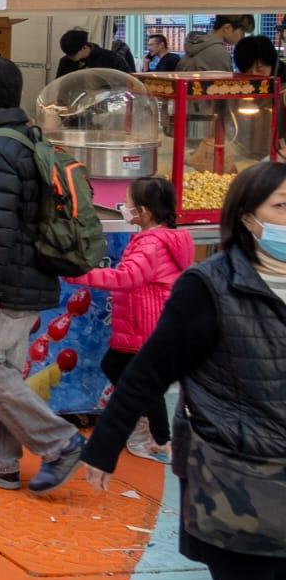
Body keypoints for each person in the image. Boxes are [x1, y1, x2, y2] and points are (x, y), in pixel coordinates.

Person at [83, 161, 286, 580]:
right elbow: (149, 370)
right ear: (247, 217)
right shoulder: (208, 286)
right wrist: (104, 445)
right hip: (232, 484)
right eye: (281, 207)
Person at [0, 56, 87, 494]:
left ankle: (59, 442)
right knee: (1, 365)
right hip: (27, 277)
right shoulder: (24, 137)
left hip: (4, 284)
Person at [75, 175, 189, 463]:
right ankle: (147, 424)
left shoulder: (151, 244)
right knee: (117, 368)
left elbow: (126, 277)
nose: (123, 207)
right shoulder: (157, 238)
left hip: (145, 326)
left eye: (127, 203)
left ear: (145, 212)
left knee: (139, 382)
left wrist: (78, 274)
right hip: (144, 324)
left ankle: (160, 439)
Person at [184, 15, 249, 73]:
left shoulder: (196, 43)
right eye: (242, 32)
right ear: (227, 28)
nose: (243, 36)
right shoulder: (219, 53)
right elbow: (226, 85)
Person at [59, 28, 131, 73]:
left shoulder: (109, 58)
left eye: (72, 54)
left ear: (84, 47)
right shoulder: (65, 62)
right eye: (67, 54)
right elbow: (62, 87)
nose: (69, 57)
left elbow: (126, 78)